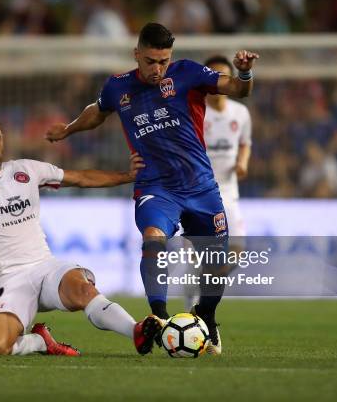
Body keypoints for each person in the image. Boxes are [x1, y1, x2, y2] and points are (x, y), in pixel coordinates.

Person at [45, 22, 259, 355]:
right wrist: (69, 130)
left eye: (163, 60)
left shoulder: (187, 73)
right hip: (156, 186)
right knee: (153, 239)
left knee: (216, 259)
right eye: (150, 61)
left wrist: (244, 74)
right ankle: (159, 317)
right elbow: (97, 112)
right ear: (137, 55)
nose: (157, 68)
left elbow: (236, 89)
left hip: (200, 186)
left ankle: (206, 315)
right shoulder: (118, 86)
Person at [0, 112, 161, 357]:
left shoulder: (26, 169)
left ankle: (135, 330)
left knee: (83, 289)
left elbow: (80, 177)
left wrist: (126, 176)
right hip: (9, 277)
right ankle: (39, 341)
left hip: (45, 267)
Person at [183, 55, 253, 311]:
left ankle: (202, 299)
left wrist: (243, 162)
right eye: (212, 77)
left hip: (228, 190)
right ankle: (195, 301)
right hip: (199, 191)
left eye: (222, 77)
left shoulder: (241, 113)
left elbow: (245, 143)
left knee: (236, 251)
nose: (217, 83)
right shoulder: (194, 110)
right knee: (197, 255)